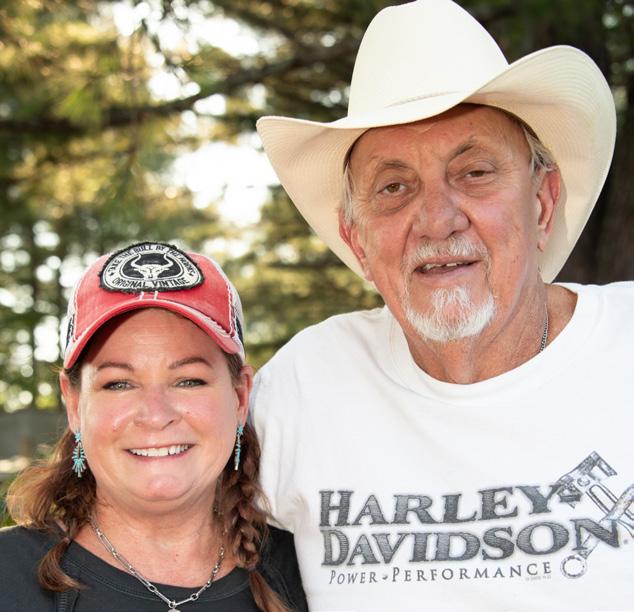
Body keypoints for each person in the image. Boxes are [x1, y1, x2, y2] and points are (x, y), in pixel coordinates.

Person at [250, 1, 633, 610]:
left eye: (474, 172)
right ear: (357, 240)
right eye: (394, 187)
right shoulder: (305, 384)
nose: (436, 219)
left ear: (542, 203)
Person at [0, 241, 307, 612]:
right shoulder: (8, 575)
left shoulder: (310, 573)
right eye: (119, 384)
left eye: (188, 380)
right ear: (75, 403)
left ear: (240, 396)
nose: (156, 414)